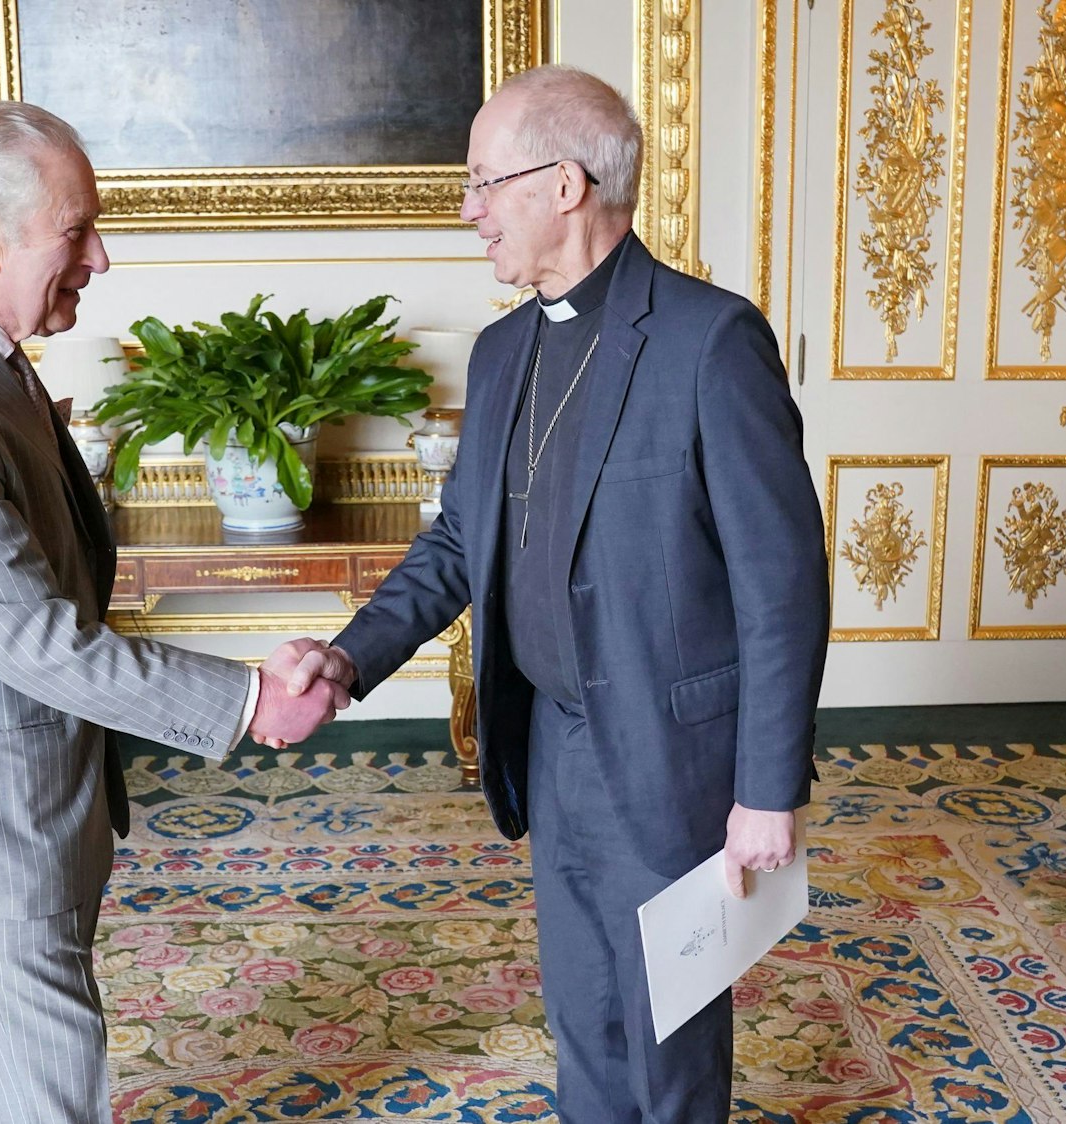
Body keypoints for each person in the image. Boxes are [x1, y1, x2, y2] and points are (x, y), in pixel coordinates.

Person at [269, 65, 829, 1123]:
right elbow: (457, 541)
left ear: (565, 185)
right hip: (551, 741)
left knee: (669, 1035)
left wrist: (767, 787)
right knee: (584, 1013)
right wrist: (349, 656)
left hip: (671, 755)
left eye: (483, 182)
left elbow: (781, 582)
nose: (469, 211)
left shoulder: (709, 340)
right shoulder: (500, 352)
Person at [0, 101, 345, 1124]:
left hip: (17, 810)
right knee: (37, 1099)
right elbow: (31, 635)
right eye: (76, 229)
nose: (99, 257)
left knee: (0, 1094)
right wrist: (249, 699)